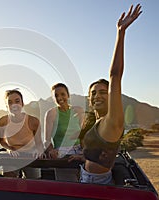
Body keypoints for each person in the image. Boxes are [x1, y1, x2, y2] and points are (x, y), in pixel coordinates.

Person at [70, 4, 142, 184]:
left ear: (111, 96)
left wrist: (121, 33)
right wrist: (85, 159)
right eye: (93, 93)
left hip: (98, 183)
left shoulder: (112, 122)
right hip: (88, 176)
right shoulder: (99, 122)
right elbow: (100, 154)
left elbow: (115, 75)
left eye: (103, 92)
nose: (97, 96)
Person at [0, 89, 45, 178]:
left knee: (35, 182)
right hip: (13, 155)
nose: (14, 104)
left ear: (22, 103)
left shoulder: (33, 121)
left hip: (30, 155)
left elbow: (39, 143)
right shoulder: (2, 121)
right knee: (9, 180)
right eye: (10, 102)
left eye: (17, 101)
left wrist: (39, 151)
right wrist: (9, 149)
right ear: (6, 106)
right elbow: (1, 140)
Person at [44, 83, 84, 181]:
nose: (60, 98)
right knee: (67, 187)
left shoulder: (79, 110)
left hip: (80, 152)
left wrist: (84, 153)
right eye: (56, 96)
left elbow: (84, 135)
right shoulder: (51, 113)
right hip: (62, 154)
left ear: (68, 95)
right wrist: (51, 151)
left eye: (62, 94)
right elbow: (47, 140)